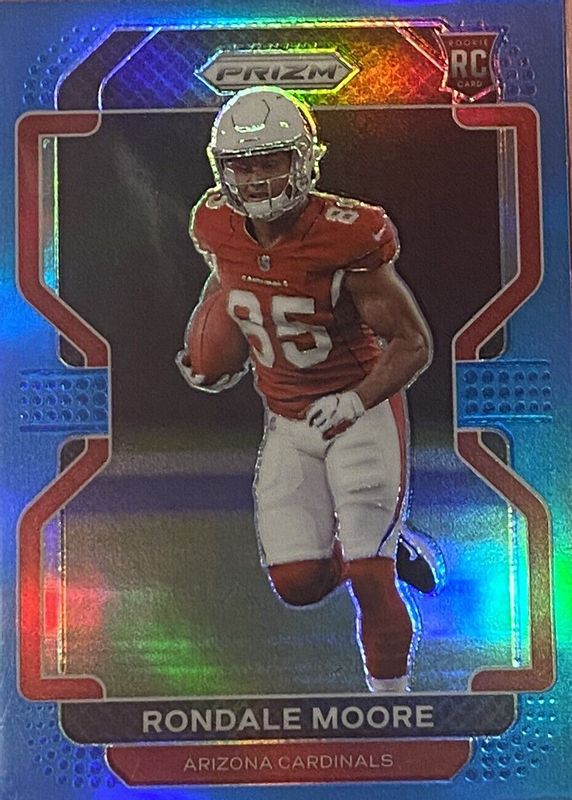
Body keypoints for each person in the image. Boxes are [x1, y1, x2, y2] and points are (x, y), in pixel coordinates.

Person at [177, 87, 436, 692]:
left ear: (305, 160)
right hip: (287, 422)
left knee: (371, 579)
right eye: (244, 166)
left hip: (359, 413)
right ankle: (387, 547)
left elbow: (412, 343)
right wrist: (208, 350)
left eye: (272, 162)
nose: (258, 180)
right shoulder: (214, 222)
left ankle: (393, 706)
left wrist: (357, 399)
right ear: (222, 169)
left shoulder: (348, 233)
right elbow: (226, 286)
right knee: (295, 584)